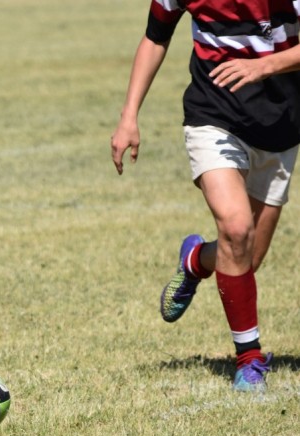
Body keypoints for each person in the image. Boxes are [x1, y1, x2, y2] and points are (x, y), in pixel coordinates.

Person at [111, 0, 300, 393]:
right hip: (213, 114)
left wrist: (263, 65)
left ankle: (196, 260)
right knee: (235, 227)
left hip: (281, 124)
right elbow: (154, 37)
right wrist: (129, 115)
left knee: (248, 256)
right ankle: (249, 359)